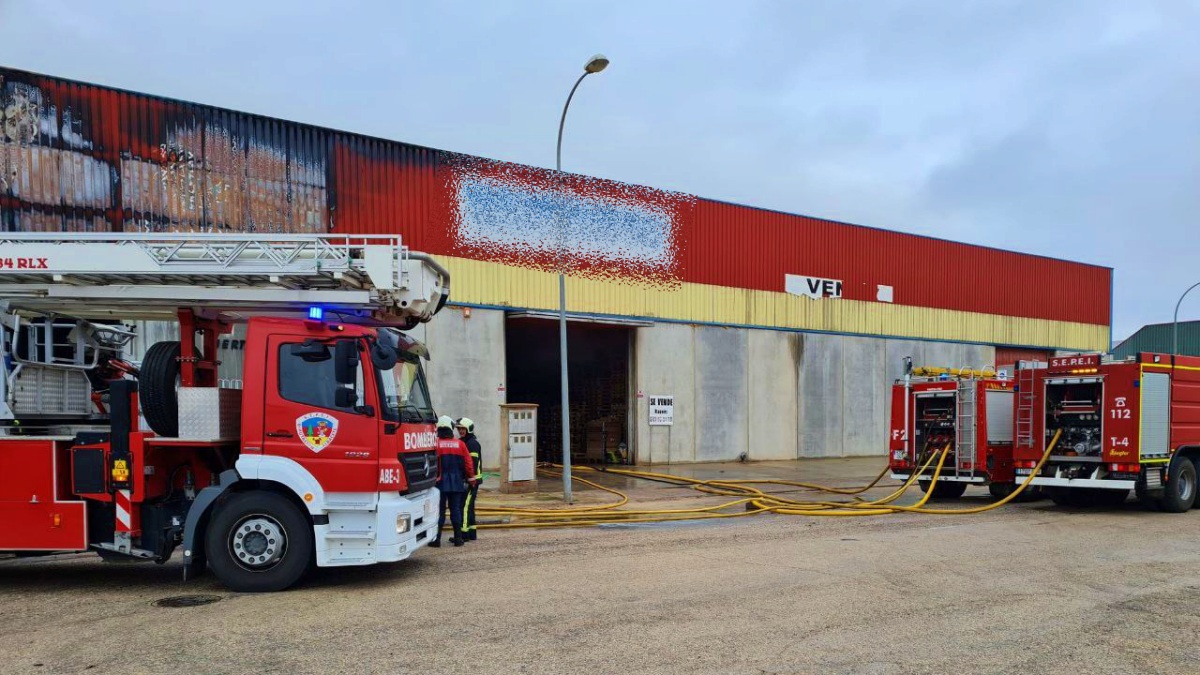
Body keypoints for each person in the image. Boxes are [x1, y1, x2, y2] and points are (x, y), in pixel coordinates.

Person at [430, 415, 476, 547]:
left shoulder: (435, 444)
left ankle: (436, 539)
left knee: (439, 511)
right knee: (455, 510)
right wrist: (471, 480)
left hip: (439, 483)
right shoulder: (460, 444)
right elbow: (468, 464)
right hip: (457, 483)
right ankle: (458, 539)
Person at [456, 417, 483, 541]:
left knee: (465, 507)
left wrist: (470, 480)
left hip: (471, 481)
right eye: (459, 429)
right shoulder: (464, 442)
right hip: (469, 480)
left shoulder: (472, 444)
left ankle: (464, 534)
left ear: (468, 429)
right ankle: (472, 533)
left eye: (463, 429)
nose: (461, 431)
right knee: (470, 507)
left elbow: (472, 463)